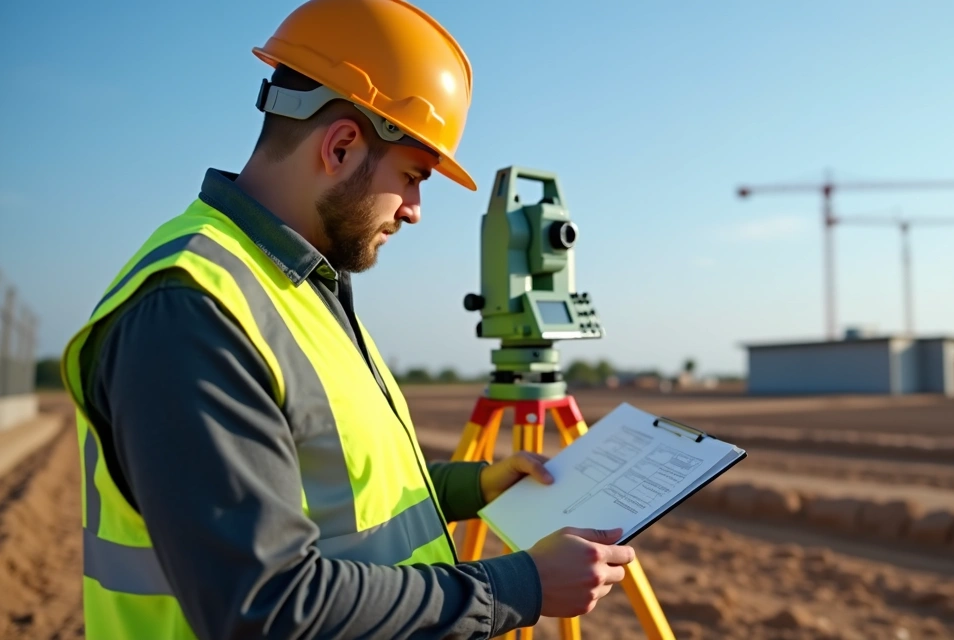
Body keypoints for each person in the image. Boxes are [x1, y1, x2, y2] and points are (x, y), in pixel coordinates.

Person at [59, 0, 636, 638]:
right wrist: (521, 585)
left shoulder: (298, 286)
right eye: (412, 176)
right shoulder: (190, 311)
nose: (415, 209)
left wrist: (473, 487)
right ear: (340, 146)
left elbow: (335, 490)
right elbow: (266, 607)